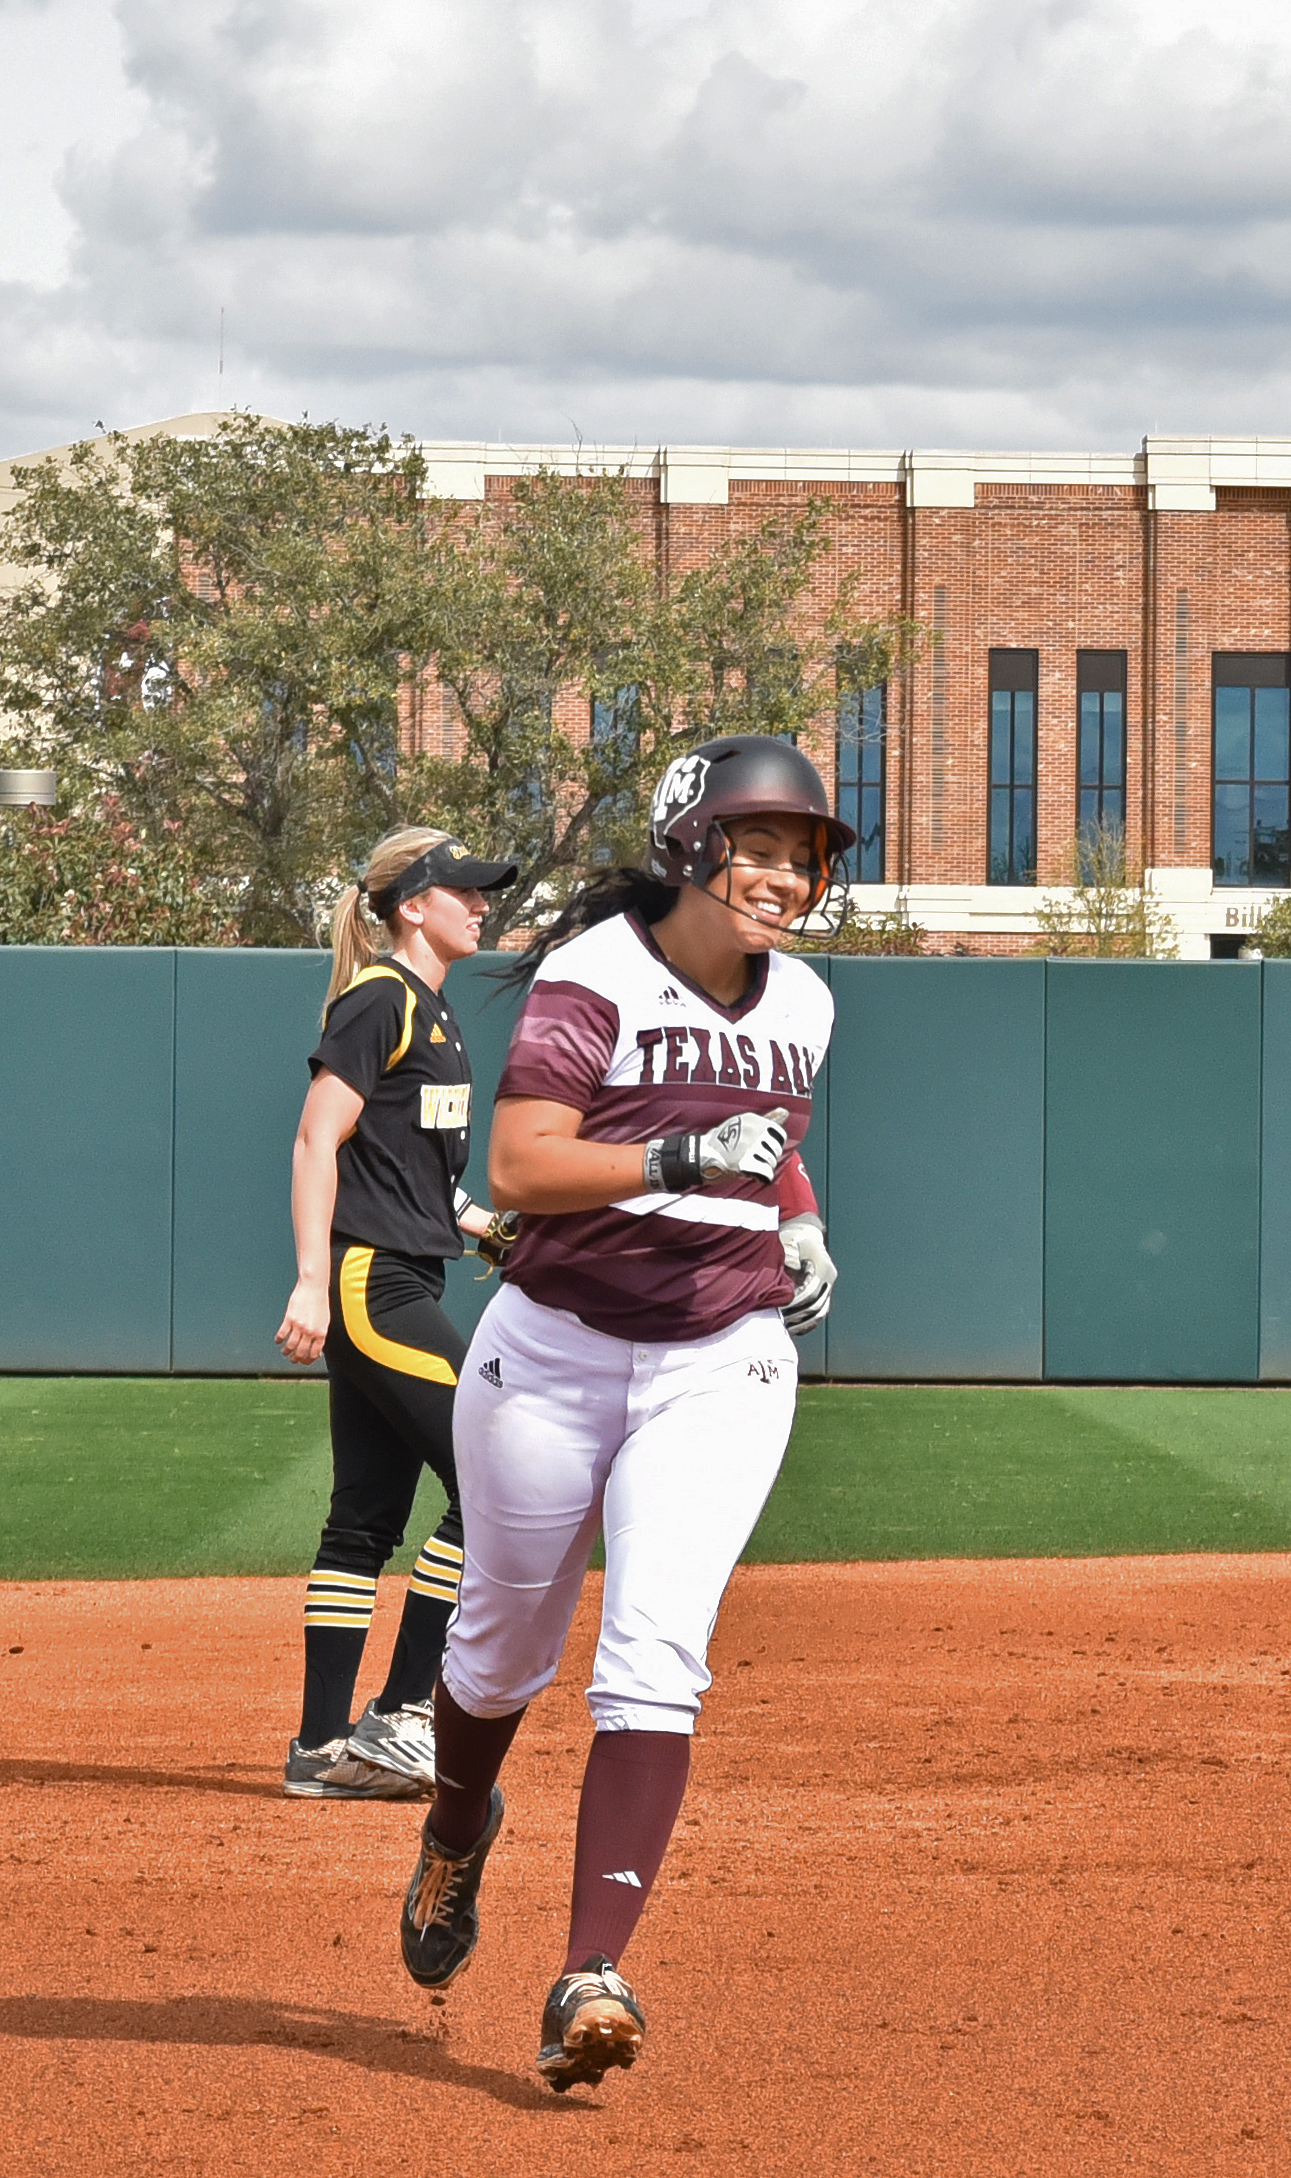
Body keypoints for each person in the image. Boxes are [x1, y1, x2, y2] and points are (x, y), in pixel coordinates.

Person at [395, 735, 852, 2087]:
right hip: (555, 1350)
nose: (783, 873)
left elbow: (777, 1132)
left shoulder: (807, 1000)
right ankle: (456, 1825)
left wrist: (802, 1221)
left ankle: (592, 1968)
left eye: (804, 853)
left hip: (724, 1355)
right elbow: (522, 1163)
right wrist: (674, 1152)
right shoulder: (597, 974)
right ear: (692, 845)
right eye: (759, 845)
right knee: (493, 1658)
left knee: (655, 1655)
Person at [275, 825, 519, 1800]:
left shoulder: (437, 1014)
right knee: (493, 1480)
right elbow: (315, 1140)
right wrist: (307, 1281)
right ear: (412, 903)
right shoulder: (382, 997)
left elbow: (413, 1179)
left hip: (405, 1267)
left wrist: (488, 1230)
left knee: (363, 1523)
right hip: (372, 1285)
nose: (482, 902)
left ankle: (319, 1750)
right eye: (464, 889)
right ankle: (399, 1715)